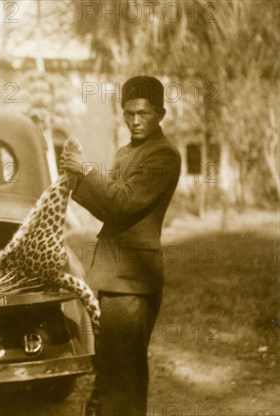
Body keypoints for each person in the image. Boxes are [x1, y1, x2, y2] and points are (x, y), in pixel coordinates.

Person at [61, 76, 181, 415]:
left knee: (123, 378)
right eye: (128, 114)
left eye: (143, 113)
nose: (135, 121)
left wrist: (84, 171)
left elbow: (122, 204)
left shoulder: (164, 156)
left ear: (161, 113)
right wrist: (76, 180)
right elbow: (107, 209)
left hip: (133, 282)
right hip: (113, 278)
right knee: (110, 370)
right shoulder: (125, 153)